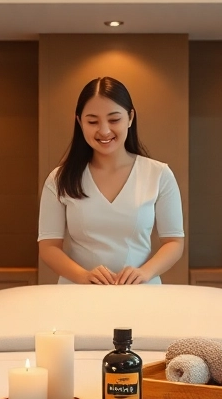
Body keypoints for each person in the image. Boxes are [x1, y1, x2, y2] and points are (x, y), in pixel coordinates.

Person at [37, 77, 184, 285]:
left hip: (141, 293)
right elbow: (48, 247)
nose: (104, 130)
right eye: (92, 121)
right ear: (79, 122)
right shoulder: (59, 179)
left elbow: (174, 242)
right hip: (77, 294)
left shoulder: (159, 174)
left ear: (130, 118)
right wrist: (83, 276)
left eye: (114, 120)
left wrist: (144, 272)